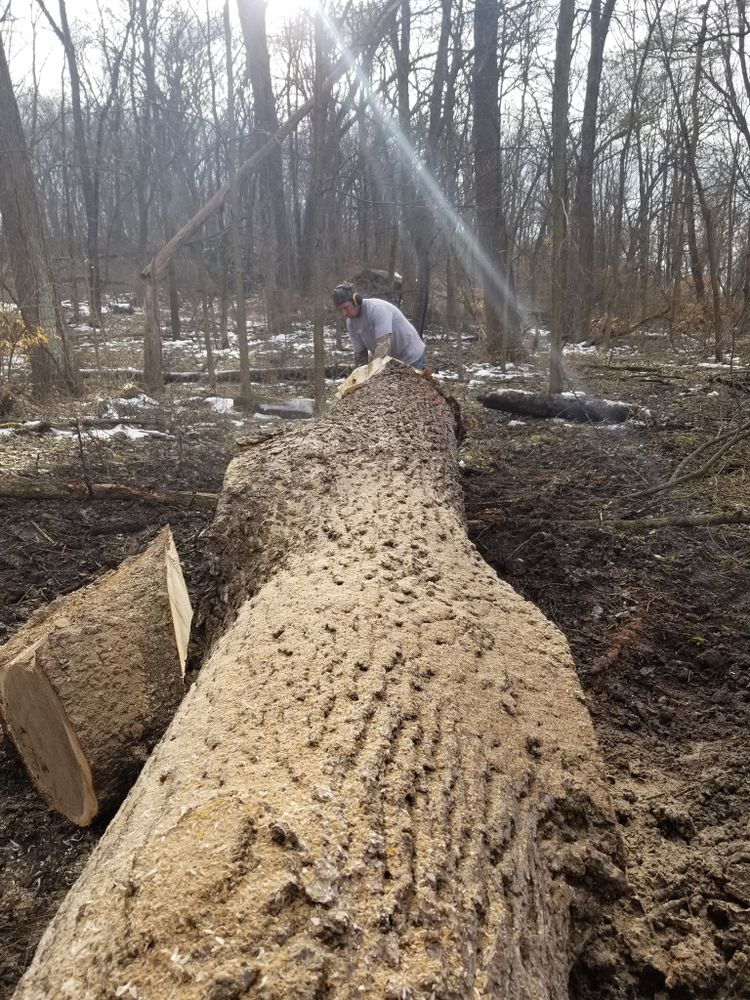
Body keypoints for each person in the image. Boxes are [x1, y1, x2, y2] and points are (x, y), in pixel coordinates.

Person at [332, 282, 426, 370]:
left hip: (410, 355)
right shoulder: (350, 324)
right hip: (391, 360)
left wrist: (373, 372)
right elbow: (360, 355)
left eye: (346, 307)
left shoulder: (377, 309)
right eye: (340, 310)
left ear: (356, 300)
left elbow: (383, 347)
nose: (344, 313)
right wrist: (360, 376)